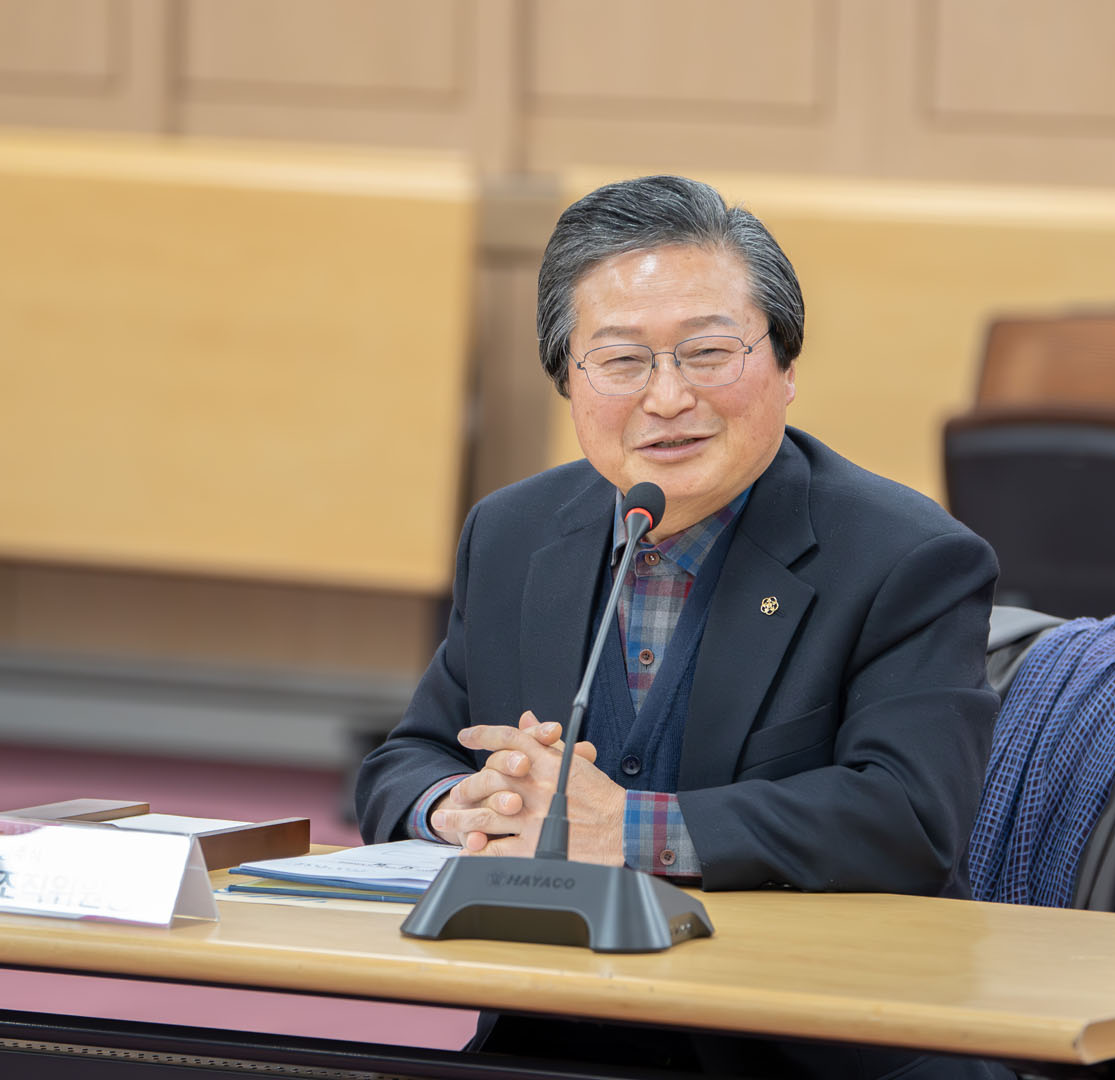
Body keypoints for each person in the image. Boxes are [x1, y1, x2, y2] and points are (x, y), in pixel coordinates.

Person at [355, 175, 1010, 1079]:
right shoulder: (512, 534)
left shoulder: (909, 556)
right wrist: (459, 804)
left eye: (707, 353)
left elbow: (907, 818)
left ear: (785, 366)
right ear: (569, 382)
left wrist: (628, 829)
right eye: (622, 361)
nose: (667, 398)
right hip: (557, 1042)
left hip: (811, 1050)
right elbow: (407, 759)